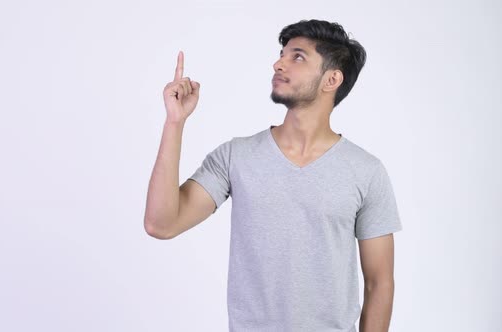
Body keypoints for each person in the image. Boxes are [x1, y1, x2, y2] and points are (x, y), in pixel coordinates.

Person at [144, 19, 402, 332]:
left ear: (332, 79)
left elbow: (379, 283)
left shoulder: (366, 171)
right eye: (282, 54)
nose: (278, 63)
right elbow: (161, 224)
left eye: (298, 57)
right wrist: (175, 123)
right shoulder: (235, 156)